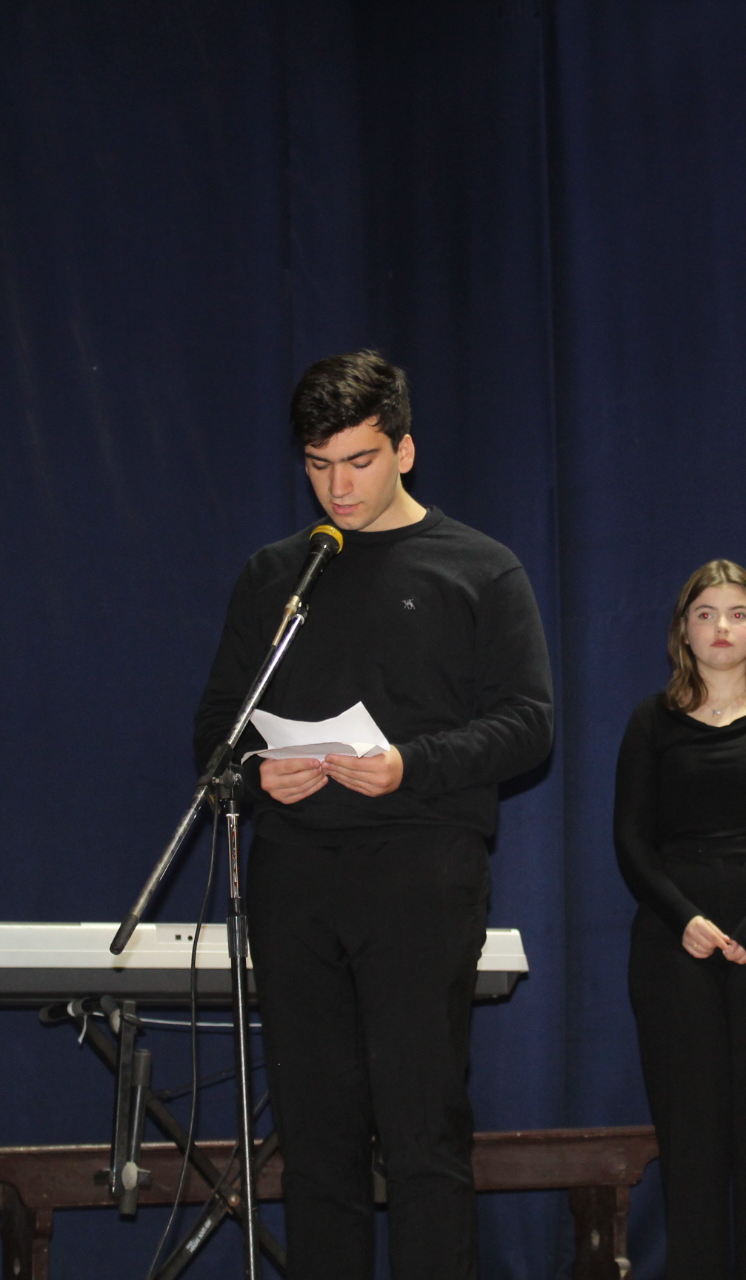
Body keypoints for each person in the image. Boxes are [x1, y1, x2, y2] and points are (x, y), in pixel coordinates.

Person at [191, 351, 553, 1280]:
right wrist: (255, 775)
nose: (338, 487)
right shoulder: (280, 575)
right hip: (295, 879)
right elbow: (217, 730)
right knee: (317, 1145)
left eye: (358, 460)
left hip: (421, 873)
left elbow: (529, 724)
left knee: (423, 1137)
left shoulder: (480, 568)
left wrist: (409, 765)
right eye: (319, 465)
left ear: (405, 450)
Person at [611, 558, 746, 1280]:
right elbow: (631, 840)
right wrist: (685, 918)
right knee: (693, 1151)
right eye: (705, 614)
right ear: (683, 630)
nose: (721, 628)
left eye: (738, 614)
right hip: (675, 948)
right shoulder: (651, 721)